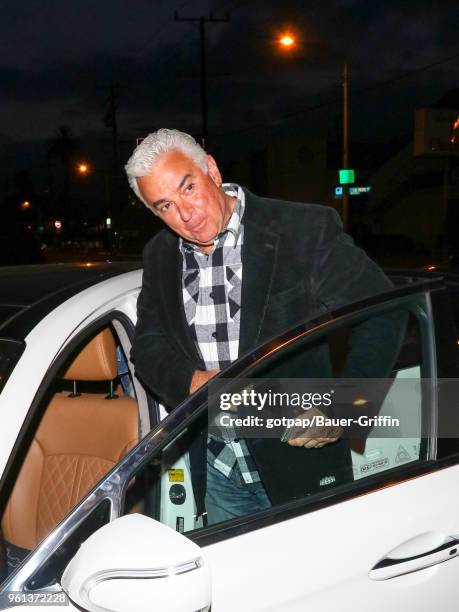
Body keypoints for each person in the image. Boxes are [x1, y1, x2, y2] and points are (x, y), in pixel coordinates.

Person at [125, 128, 403, 524]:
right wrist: (192, 382)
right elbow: (148, 345)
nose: (185, 214)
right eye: (165, 205)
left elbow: (384, 312)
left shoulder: (301, 231)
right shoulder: (160, 254)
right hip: (220, 470)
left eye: (188, 188)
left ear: (212, 171)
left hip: (298, 465)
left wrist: (343, 409)